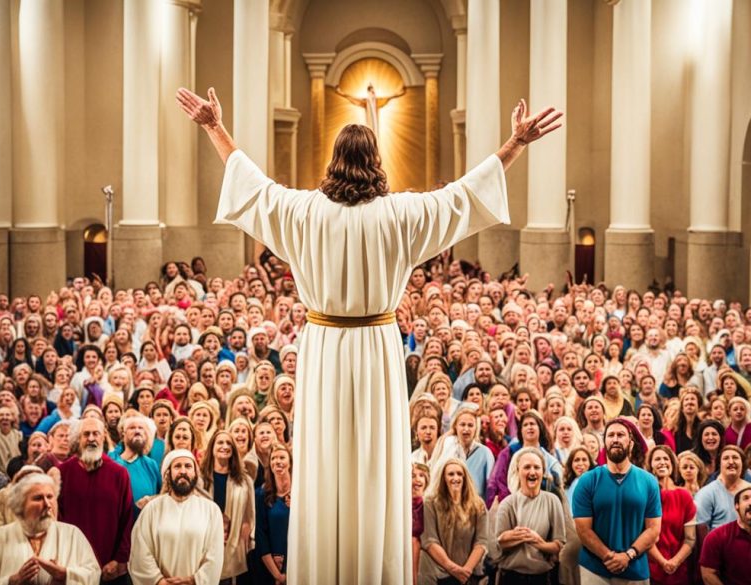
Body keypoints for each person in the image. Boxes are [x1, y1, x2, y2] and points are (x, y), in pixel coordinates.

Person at [177, 85, 562, 584]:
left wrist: (214, 126)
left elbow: (252, 185)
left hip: (324, 346)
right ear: (376, 161)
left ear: (334, 162)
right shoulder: (400, 215)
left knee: (325, 469)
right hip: (377, 346)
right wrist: (515, 144)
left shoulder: (304, 212)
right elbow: (464, 196)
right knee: (374, 470)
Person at [0, 473, 101, 585]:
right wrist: (12, 581)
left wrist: (65, 575)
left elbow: (93, 574)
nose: (47, 504)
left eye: (50, 497)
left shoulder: (72, 535)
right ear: (20, 505)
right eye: (38, 498)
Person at [573, 419, 662, 584]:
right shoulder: (587, 481)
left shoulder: (649, 481)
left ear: (631, 443)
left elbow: (654, 529)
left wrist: (628, 555)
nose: (615, 439)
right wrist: (609, 556)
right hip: (595, 569)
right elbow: (583, 530)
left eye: (620, 435)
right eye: (610, 435)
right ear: (604, 443)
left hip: (636, 570)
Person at [129, 449, 225, 584]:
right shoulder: (151, 509)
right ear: (168, 474)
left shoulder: (211, 510)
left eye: (188, 466)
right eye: (177, 466)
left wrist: (193, 581)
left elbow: (215, 556)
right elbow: (141, 551)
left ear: (195, 473)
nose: (183, 471)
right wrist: (160, 581)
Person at [58, 417, 135, 583]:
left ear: (103, 437)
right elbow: (57, 518)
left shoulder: (119, 474)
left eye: (96, 433)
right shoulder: (62, 473)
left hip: (109, 569)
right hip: (72, 567)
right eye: (86, 434)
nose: (91, 438)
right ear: (78, 438)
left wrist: (120, 559)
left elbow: (127, 519)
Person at [494, 447, 566, 583]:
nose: (532, 472)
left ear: (543, 472)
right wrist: (515, 536)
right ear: (518, 471)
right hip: (511, 576)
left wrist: (538, 542)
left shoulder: (552, 500)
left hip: (543, 577)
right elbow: (499, 543)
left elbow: (558, 545)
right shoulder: (507, 504)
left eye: (537, 467)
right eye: (527, 467)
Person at [418, 458, 489, 584]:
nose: (455, 478)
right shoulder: (430, 503)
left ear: (465, 477)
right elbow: (429, 541)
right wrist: (453, 568)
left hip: (469, 575)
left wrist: (466, 570)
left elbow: (482, 541)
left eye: (459, 474)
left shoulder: (478, 504)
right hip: (439, 574)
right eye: (451, 474)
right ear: (443, 478)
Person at [199, 429, 254, 583]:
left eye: (229, 443)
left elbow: (250, 514)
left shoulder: (244, 480)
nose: (225, 446)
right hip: (204, 542)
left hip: (233, 542)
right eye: (220, 442)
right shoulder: (199, 478)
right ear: (212, 448)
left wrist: (246, 526)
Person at [644, 446, 695, 585]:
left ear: (672, 465)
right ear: (650, 465)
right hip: (652, 570)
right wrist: (663, 562)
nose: (662, 462)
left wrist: (674, 562)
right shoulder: (645, 495)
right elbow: (643, 536)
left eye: (666, 458)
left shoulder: (684, 496)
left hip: (679, 569)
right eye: (657, 459)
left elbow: (690, 539)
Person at [254, 444, 292, 585]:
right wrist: (277, 575)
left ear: (290, 462)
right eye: (273, 458)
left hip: (298, 559)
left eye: (282, 457)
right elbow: (260, 535)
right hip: (272, 567)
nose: (277, 461)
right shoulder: (261, 494)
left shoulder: (300, 494)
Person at [110, 415, 162, 514]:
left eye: (141, 428)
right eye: (132, 427)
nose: (137, 431)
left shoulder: (151, 465)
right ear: (123, 434)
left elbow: (162, 495)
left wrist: (151, 499)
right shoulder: (112, 463)